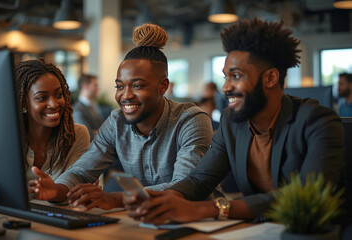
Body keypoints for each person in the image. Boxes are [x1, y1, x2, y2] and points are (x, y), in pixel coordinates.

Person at [124, 18, 344, 224]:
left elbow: (305, 196)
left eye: (236, 76)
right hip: (258, 230)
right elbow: (200, 180)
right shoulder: (232, 122)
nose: (225, 87)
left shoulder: (318, 121)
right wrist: (158, 198)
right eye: (225, 76)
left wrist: (208, 209)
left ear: (270, 78)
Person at [28, 23, 213, 210]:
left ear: (163, 86)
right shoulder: (116, 122)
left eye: (137, 86)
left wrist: (118, 199)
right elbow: (81, 172)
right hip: (146, 218)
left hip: (201, 221)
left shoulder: (191, 120)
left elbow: (184, 186)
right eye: (120, 86)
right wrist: (57, 190)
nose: (125, 95)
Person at [15, 59, 90, 182]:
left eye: (59, 95)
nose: (54, 104)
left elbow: (73, 186)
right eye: (42, 98)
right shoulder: (8, 139)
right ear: (23, 102)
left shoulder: (77, 135)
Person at [73, 74, 105, 141]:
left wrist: (95, 132)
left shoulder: (95, 106)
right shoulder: (77, 110)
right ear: (86, 86)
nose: (98, 88)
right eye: (95, 85)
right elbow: (87, 136)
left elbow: (103, 128)